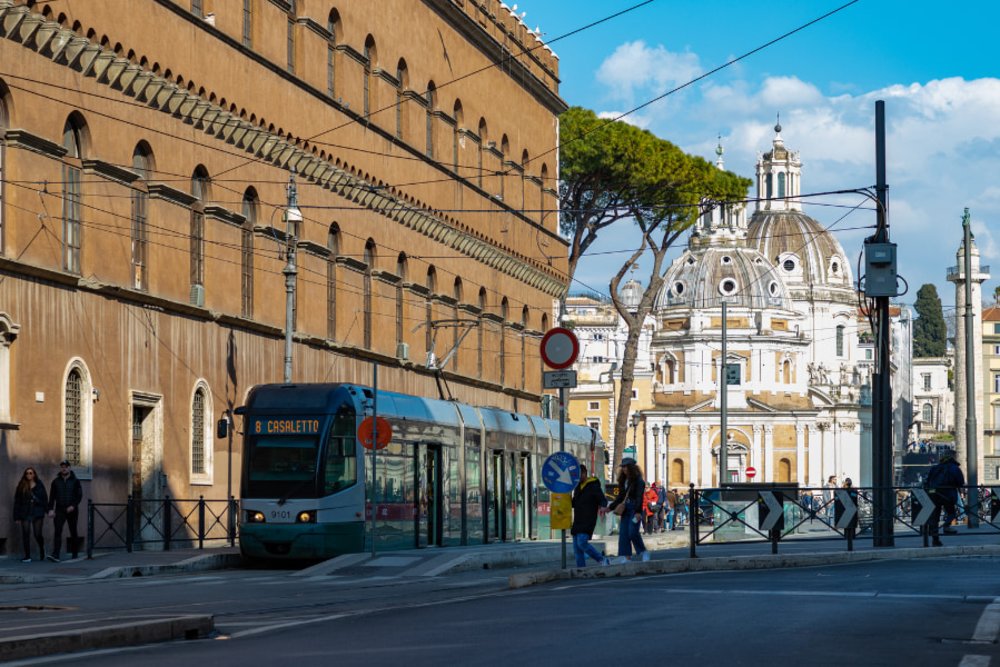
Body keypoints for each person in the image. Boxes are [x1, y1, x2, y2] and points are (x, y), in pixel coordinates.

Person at [607, 458, 649, 563]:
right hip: (626, 508)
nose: (624, 469)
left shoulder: (639, 481)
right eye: (623, 467)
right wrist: (610, 507)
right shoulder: (623, 481)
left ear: (631, 468)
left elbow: (639, 497)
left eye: (626, 466)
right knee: (624, 533)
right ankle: (625, 556)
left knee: (632, 532)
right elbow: (620, 497)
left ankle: (643, 551)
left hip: (635, 509)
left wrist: (638, 512)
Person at [571, 465, 609, 567]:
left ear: (584, 473)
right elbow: (574, 502)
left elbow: (602, 499)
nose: (577, 477)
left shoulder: (593, 485)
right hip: (578, 520)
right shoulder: (578, 487)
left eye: (579, 474)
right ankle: (581, 569)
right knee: (576, 548)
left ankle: (601, 559)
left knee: (582, 543)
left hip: (588, 519)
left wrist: (603, 507)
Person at [926, 450, 965, 546]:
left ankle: (935, 538)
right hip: (948, 494)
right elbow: (960, 482)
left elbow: (928, 481)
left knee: (935, 516)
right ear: (953, 457)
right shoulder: (954, 468)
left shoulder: (935, 468)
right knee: (951, 513)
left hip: (934, 494)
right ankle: (946, 526)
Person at [47, 460, 84, 561]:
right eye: (62, 467)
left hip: (72, 510)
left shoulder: (75, 481)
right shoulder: (55, 482)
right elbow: (52, 497)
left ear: (69, 468)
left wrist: (73, 505)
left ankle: (75, 553)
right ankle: (56, 555)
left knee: (73, 531)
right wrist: (50, 509)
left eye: (66, 466)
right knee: (58, 531)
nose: (64, 468)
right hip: (60, 509)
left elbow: (79, 496)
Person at [13, 467, 48, 563]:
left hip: (37, 512)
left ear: (34, 474)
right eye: (27, 473)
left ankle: (42, 549)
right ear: (25, 475)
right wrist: (16, 516)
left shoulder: (40, 485)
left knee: (37, 534)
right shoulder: (21, 485)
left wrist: (48, 510)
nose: (29, 475)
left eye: (31, 473)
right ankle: (27, 556)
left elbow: (44, 498)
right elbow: (17, 501)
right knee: (26, 534)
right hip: (25, 513)